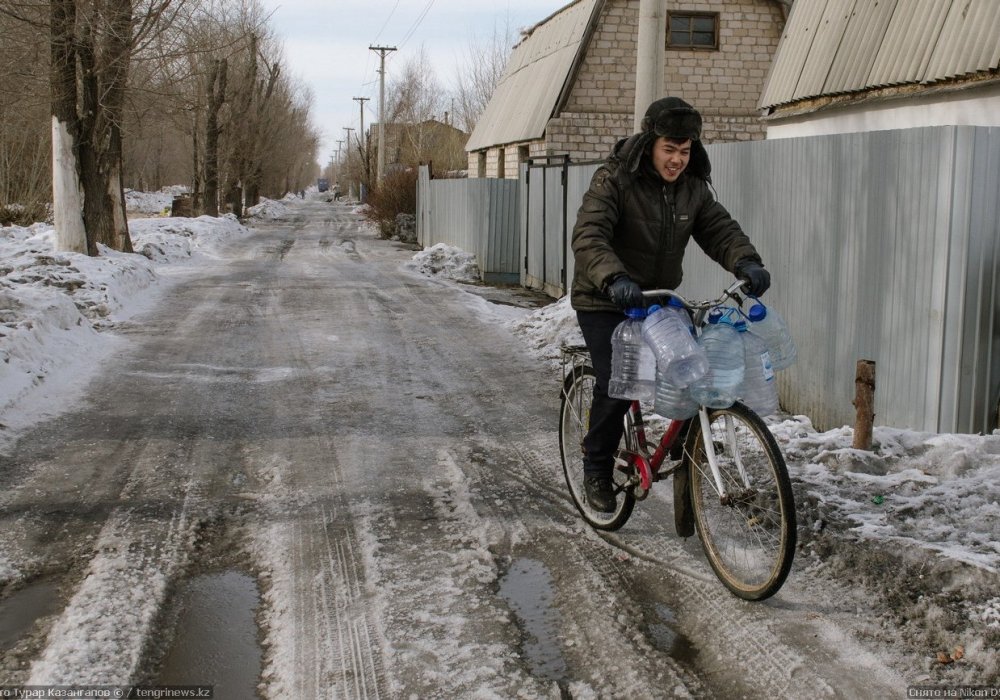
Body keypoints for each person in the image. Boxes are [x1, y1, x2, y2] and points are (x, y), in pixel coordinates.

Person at [570, 96, 772, 513]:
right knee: (622, 382)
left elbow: (719, 230)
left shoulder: (692, 189)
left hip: (658, 300)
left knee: (693, 369)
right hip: (605, 298)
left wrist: (746, 261)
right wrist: (613, 278)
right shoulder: (615, 180)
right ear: (650, 144)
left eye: (685, 151)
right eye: (670, 150)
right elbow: (590, 236)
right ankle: (596, 465)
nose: (677, 160)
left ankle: (685, 447)